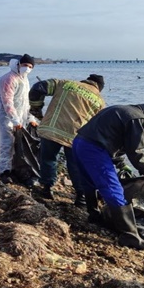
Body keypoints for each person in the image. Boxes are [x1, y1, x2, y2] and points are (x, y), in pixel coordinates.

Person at [73, 99, 144, 250]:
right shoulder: (139, 120)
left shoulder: (122, 109)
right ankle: (130, 236)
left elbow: (113, 138)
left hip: (79, 142)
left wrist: (121, 164)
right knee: (113, 188)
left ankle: (94, 215)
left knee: (89, 181)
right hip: (95, 149)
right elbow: (135, 151)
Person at [28, 74, 106, 205]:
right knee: (75, 165)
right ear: (99, 88)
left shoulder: (65, 84)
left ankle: (47, 189)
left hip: (52, 128)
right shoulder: (100, 101)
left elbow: (38, 87)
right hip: (76, 136)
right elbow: (98, 126)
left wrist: (36, 109)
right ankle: (81, 196)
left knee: (48, 159)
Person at [0, 54, 37, 184]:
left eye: (30, 67)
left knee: (17, 145)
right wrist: (15, 120)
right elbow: (7, 102)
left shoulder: (24, 79)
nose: (27, 68)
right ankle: (3, 171)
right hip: (6, 117)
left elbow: (26, 102)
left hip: (20, 117)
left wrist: (30, 118)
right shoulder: (8, 79)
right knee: (6, 144)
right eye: (25, 65)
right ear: (19, 64)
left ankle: (14, 169)